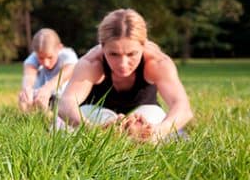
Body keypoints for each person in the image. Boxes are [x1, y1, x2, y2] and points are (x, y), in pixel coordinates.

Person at [57, 8, 193, 142]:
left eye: (131, 54)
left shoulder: (157, 62)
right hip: (99, 115)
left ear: (143, 45)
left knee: (157, 122)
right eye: (114, 54)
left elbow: (183, 108)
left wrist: (158, 131)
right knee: (68, 126)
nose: (123, 63)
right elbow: (66, 104)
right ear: (102, 46)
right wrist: (93, 131)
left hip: (144, 115)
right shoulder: (91, 63)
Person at [18, 28, 78, 113]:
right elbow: (29, 75)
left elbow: (66, 73)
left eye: (50, 57)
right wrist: (27, 90)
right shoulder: (33, 57)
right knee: (24, 96)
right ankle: (27, 117)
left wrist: (47, 89)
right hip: (42, 97)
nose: (46, 63)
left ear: (59, 48)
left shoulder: (68, 55)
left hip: (63, 97)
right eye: (41, 58)